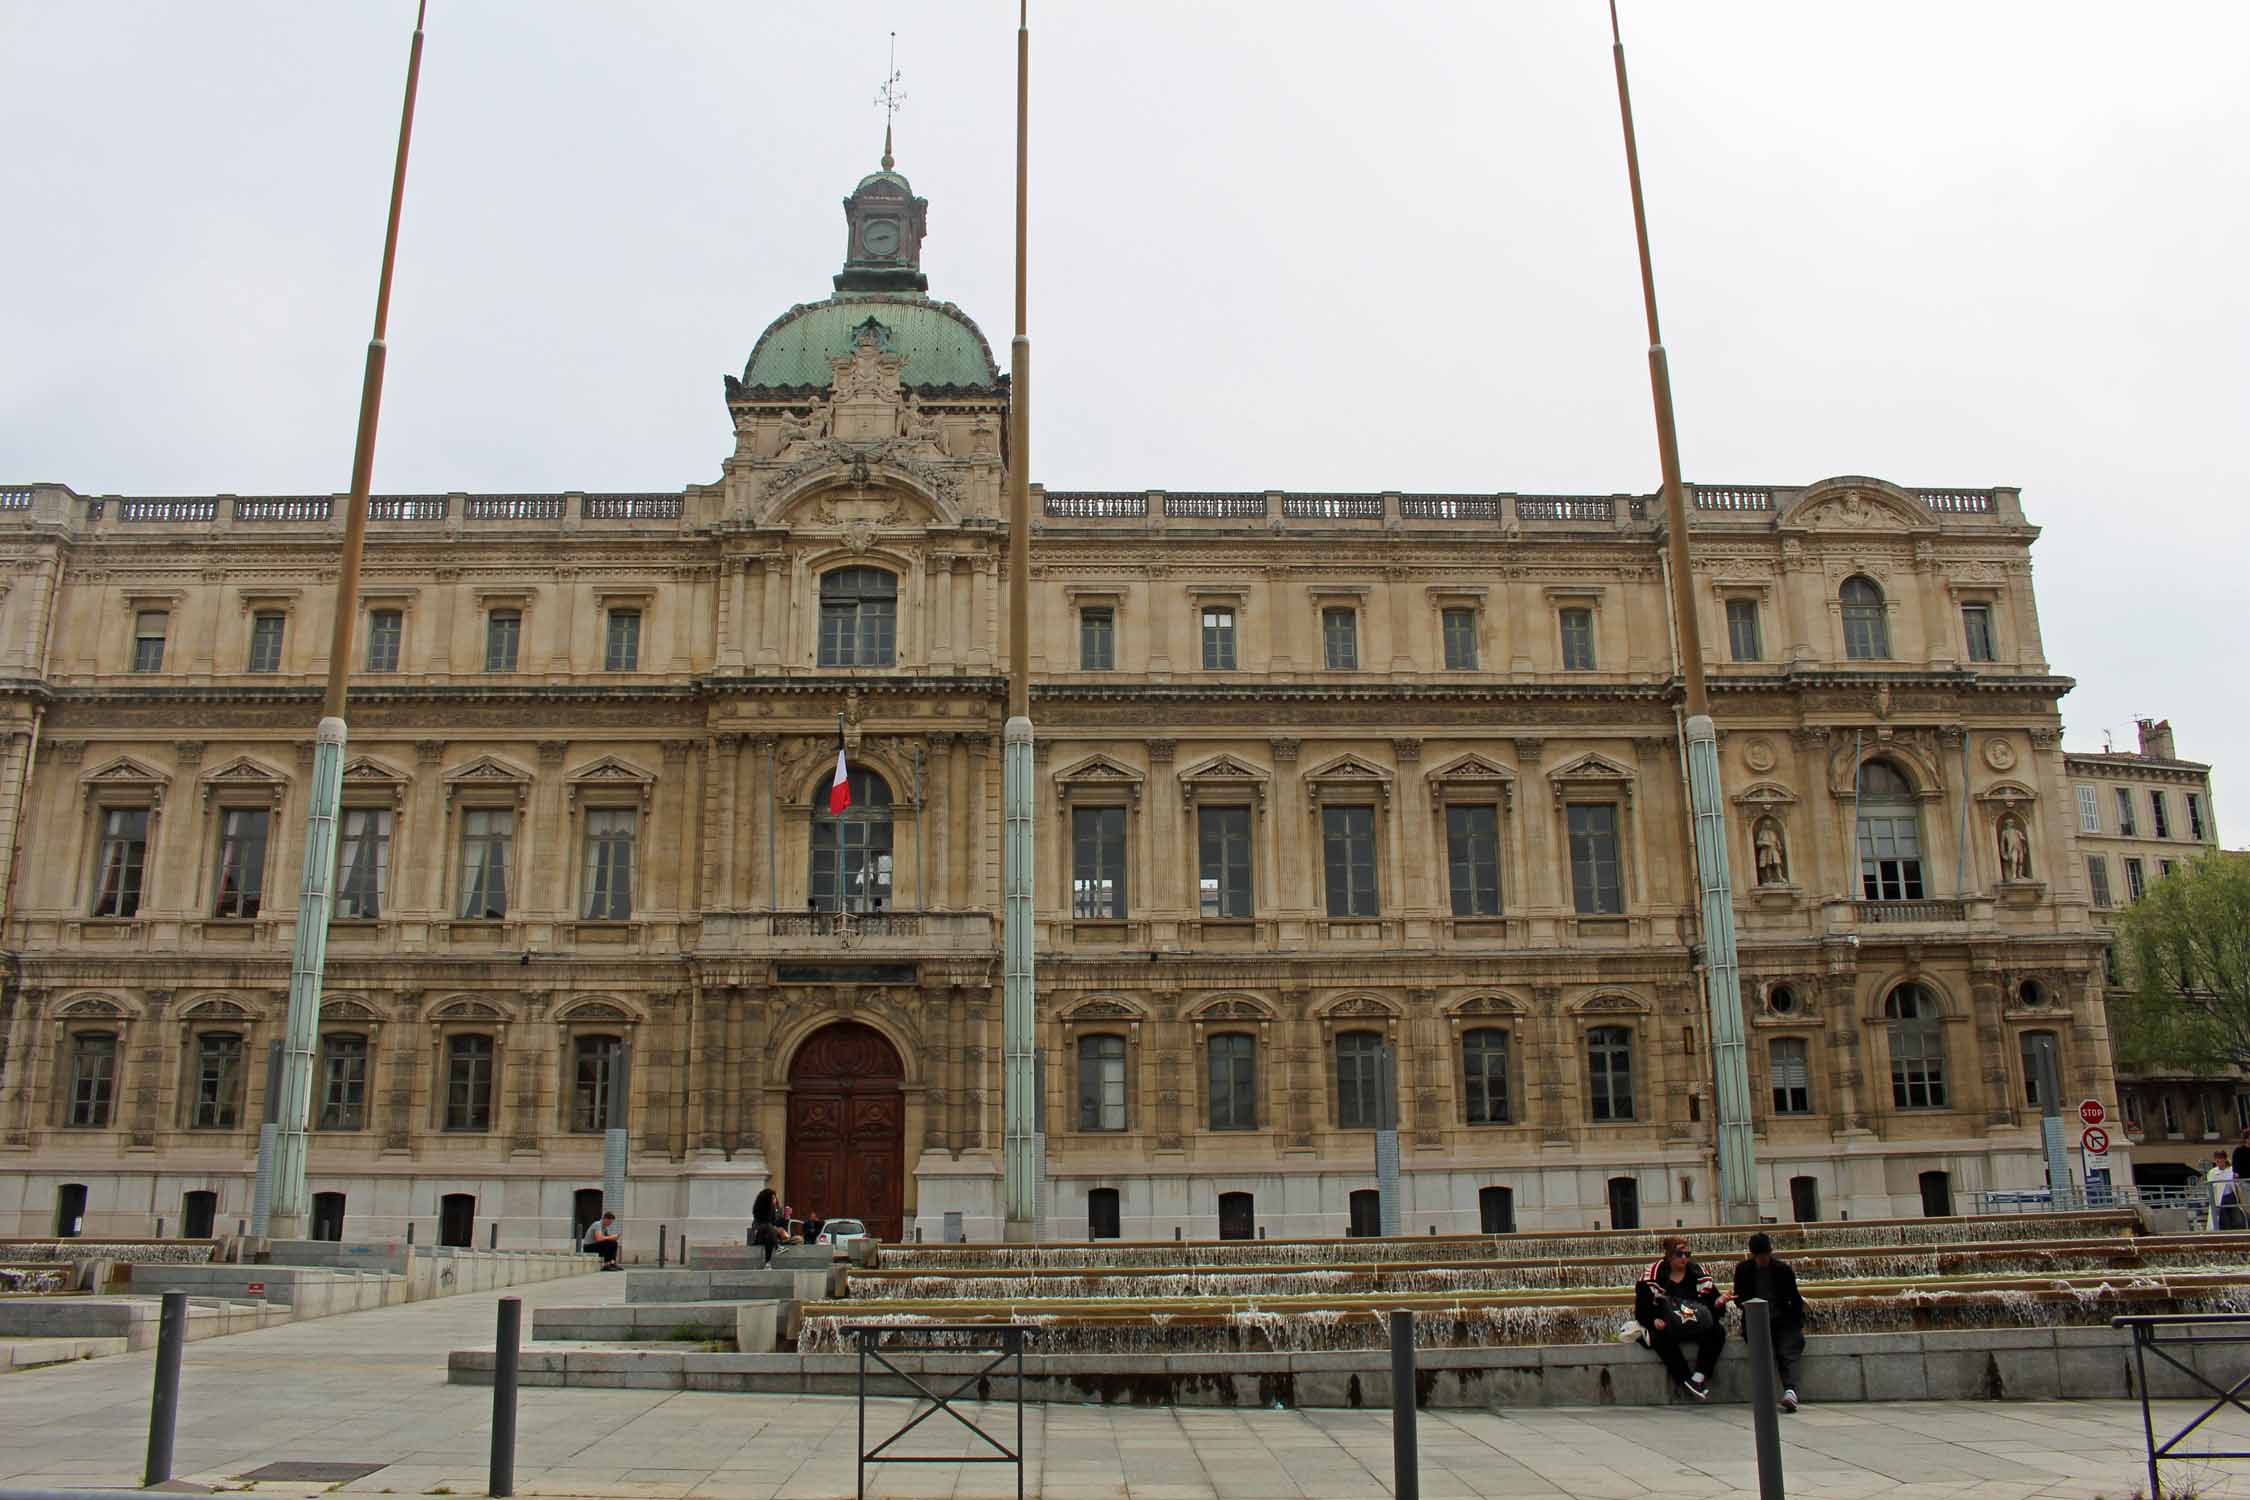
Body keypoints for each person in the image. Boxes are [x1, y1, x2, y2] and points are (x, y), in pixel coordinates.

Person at [1635, 1236, 1729, 1401]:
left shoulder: (1697, 1273)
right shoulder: (1652, 1276)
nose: (1684, 1258)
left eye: (1687, 1254)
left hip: (1695, 1323)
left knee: (1717, 1332)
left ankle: (1698, 1378)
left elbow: (1713, 1305)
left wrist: (1719, 1303)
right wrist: (1653, 1321)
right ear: (1669, 1255)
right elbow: (1642, 1310)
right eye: (1679, 1254)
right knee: (1659, 1338)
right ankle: (1684, 1378)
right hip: (1668, 1325)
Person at [1732, 1232, 1806, 1412]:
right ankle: (1765, 1395)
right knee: (1762, 1354)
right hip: (1756, 1321)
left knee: (1786, 1351)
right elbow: (1738, 1297)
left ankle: (1790, 1391)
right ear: (1753, 1255)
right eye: (1759, 1256)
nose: (1763, 1259)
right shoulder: (1743, 1270)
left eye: (1766, 1255)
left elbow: (1795, 1299)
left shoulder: (1783, 1270)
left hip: (1783, 1320)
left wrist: (1796, 1323)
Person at [2206, 1152, 2238, 1233]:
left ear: (2224, 1159)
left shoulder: (2231, 1170)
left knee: (2236, 1219)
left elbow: (2236, 1182)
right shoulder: (2212, 1172)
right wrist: (2212, 1200)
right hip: (2220, 1199)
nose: (2218, 1161)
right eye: (2216, 1159)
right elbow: (2210, 1188)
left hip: (2232, 1197)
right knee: (2225, 1220)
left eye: (2220, 1159)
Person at [751, 1187, 781, 1267]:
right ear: (766, 1200)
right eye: (773, 1198)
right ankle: (777, 1247)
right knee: (768, 1227)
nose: (775, 1199)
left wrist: (775, 1211)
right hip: (759, 1236)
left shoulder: (774, 1209)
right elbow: (760, 1225)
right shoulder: (758, 1211)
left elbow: (775, 1223)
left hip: (770, 1237)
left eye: (775, 1197)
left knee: (769, 1235)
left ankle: (768, 1262)